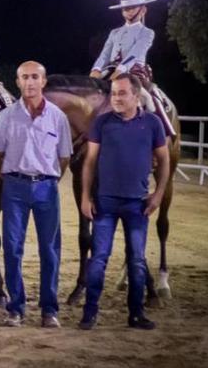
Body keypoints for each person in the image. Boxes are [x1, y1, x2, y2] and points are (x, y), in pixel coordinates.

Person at [78, 73, 170, 331]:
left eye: (122, 93)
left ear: (136, 95)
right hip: (105, 202)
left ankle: (136, 314)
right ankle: (90, 312)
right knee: (98, 259)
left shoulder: (152, 123)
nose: (116, 98)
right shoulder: (102, 122)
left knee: (137, 260)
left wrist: (159, 194)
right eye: (113, 93)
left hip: (138, 204)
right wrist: (86, 196)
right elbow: (90, 162)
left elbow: (164, 161)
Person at [0, 61, 72, 328]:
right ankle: (16, 307)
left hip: (47, 187)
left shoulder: (58, 117)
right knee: (13, 249)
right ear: (18, 82)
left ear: (44, 81)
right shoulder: (5, 118)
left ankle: (49, 309)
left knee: (49, 249)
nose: (30, 82)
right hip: (14, 187)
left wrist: (48, 177)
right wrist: (10, 177)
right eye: (24, 77)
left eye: (35, 77)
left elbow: (64, 157)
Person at [89, 0, 176, 137]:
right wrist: (96, 69)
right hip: (110, 70)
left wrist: (121, 70)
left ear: (143, 9)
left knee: (149, 98)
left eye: (132, 7)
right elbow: (105, 54)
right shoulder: (115, 32)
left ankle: (160, 134)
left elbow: (136, 53)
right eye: (125, 8)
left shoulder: (147, 33)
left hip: (135, 72)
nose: (128, 11)